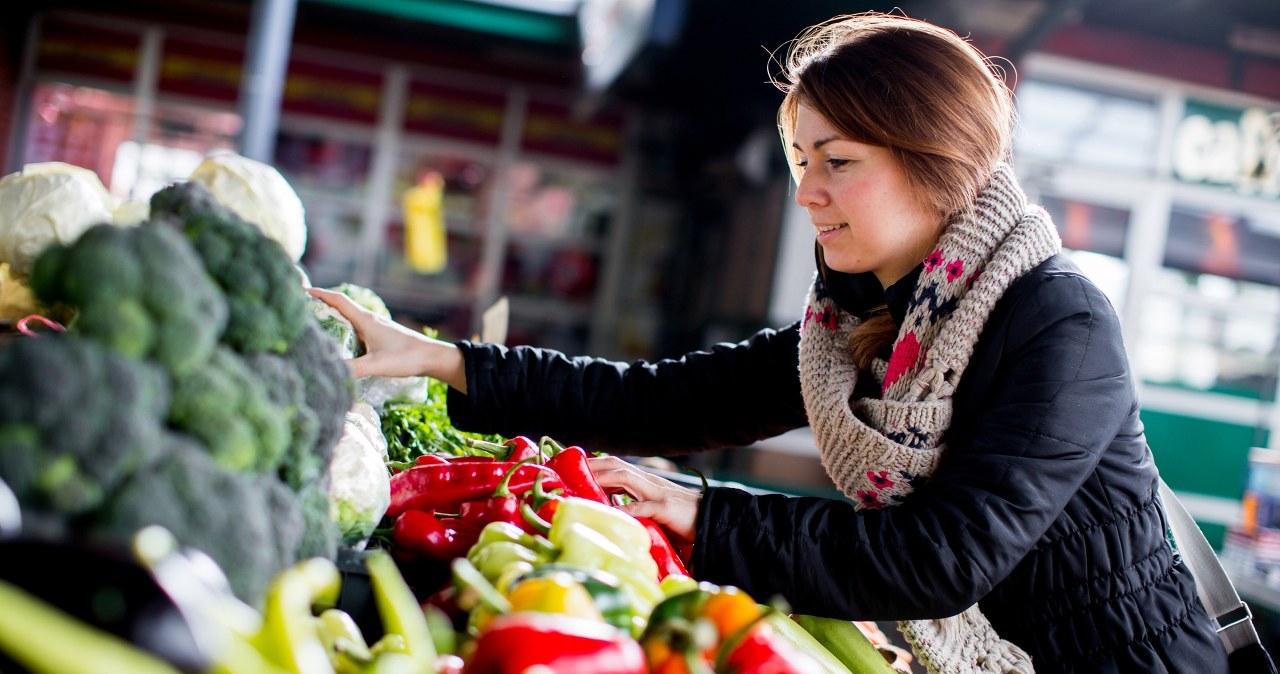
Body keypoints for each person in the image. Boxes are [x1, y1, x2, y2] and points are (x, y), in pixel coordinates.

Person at [311, 12, 1237, 673]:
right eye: (802, 164)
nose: (807, 194)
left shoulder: (1059, 322)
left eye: (837, 163)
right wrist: (447, 360)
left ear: (933, 159)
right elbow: (666, 401)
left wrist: (698, 514)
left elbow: (944, 556)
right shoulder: (864, 322)